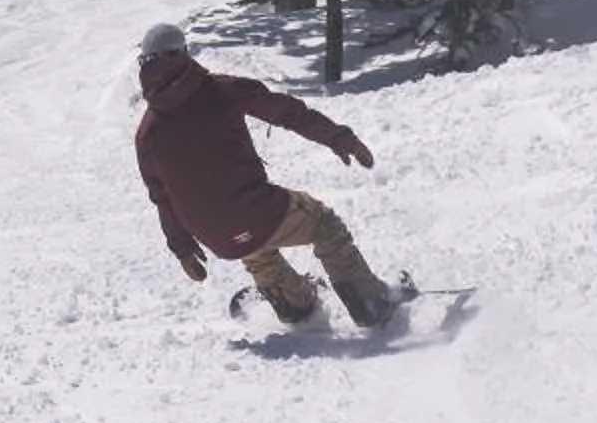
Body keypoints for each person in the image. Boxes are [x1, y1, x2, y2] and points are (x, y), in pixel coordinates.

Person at [131, 21, 397, 326]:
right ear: (182, 54)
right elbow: (287, 112)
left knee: (252, 242)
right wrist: (339, 138)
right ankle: (369, 302)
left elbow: (161, 197)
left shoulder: (146, 132)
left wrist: (183, 250)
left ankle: (294, 304)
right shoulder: (221, 90)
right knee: (323, 223)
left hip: (217, 236)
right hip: (255, 212)